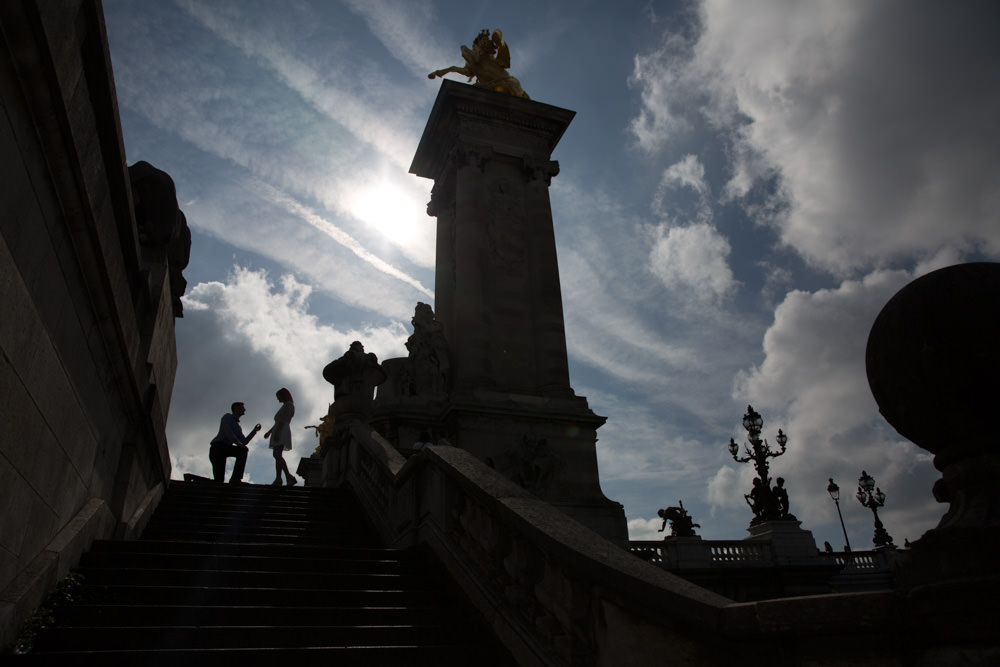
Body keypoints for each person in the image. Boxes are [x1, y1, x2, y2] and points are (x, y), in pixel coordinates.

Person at [209, 402, 260, 483]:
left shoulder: (238, 427)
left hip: (224, 449)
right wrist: (240, 445)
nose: (245, 409)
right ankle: (194, 479)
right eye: (242, 407)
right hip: (217, 448)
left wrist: (254, 431)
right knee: (219, 481)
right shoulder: (227, 417)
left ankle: (235, 479)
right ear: (236, 408)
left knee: (242, 451)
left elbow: (243, 442)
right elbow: (229, 433)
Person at [264, 387, 297, 486]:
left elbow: (283, 420)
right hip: (279, 429)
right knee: (277, 455)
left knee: (277, 454)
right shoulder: (286, 405)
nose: (278, 399)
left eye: (279, 397)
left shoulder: (289, 405)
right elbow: (278, 422)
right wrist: (270, 432)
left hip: (281, 430)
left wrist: (277, 432)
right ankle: (282, 478)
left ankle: (285, 477)